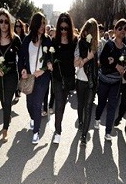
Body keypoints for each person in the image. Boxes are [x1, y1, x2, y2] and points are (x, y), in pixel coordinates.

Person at [18, 12, 53, 144]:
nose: (43, 26)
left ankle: (36, 132)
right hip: (29, 77)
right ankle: (33, 118)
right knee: (29, 104)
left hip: (43, 78)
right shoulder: (27, 40)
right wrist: (23, 70)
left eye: (44, 23)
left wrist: (46, 67)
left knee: (38, 104)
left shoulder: (47, 40)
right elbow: (21, 58)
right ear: (35, 24)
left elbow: (50, 58)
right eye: (41, 23)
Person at [0, 9, 21, 142]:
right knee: (3, 101)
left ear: (9, 23)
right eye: (1, 21)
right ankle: (8, 114)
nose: (3, 24)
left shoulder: (15, 39)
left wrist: (24, 70)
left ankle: (5, 128)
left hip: (12, 74)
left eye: (6, 21)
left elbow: (23, 56)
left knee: (7, 100)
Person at [94, 19, 126, 141]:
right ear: (115, 30)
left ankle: (108, 132)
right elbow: (102, 60)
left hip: (116, 82)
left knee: (112, 106)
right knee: (101, 103)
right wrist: (115, 65)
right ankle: (97, 119)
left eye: (125, 29)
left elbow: (124, 62)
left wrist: (122, 67)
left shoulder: (125, 47)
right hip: (104, 80)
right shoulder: (109, 44)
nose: (123, 31)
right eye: (120, 28)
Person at [50, 12, 77, 144]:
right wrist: (49, 62)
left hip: (69, 77)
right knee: (59, 104)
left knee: (62, 105)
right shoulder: (54, 41)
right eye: (61, 28)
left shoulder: (74, 41)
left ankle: (58, 124)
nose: (64, 31)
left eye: (66, 28)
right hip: (57, 77)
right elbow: (49, 56)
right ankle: (58, 131)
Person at [75, 18, 99, 145]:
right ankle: (80, 122)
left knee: (88, 107)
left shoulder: (96, 45)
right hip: (80, 79)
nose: (85, 33)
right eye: (85, 30)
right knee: (80, 104)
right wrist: (85, 59)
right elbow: (77, 63)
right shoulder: (79, 43)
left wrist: (92, 55)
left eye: (89, 31)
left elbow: (96, 65)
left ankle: (84, 136)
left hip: (91, 81)